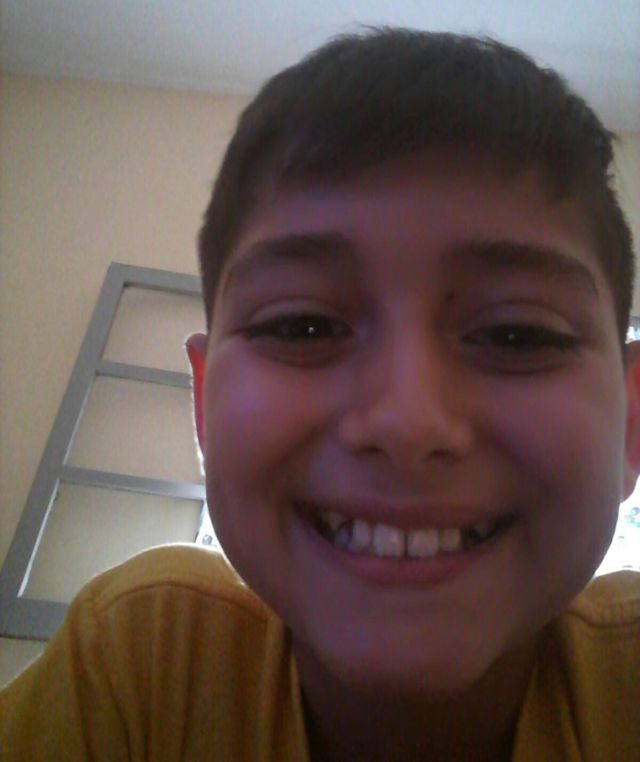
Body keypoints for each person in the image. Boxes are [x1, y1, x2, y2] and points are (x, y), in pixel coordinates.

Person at [2, 27, 639, 761]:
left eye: (518, 335)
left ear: (631, 421)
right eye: (302, 326)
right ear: (203, 408)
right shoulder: (144, 661)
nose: (407, 422)